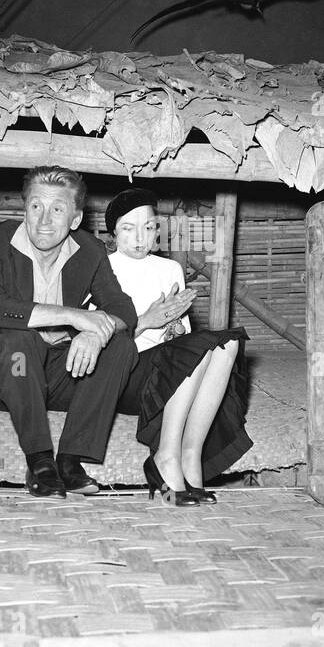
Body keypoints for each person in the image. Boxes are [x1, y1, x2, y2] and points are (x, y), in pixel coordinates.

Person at [0, 167, 139, 498]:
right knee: (17, 337)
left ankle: (70, 460)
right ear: (24, 208)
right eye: (36, 206)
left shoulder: (90, 251)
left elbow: (123, 310)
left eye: (57, 210)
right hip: (9, 371)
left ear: (75, 219)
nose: (44, 220)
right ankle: (40, 462)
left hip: (57, 374)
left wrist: (96, 333)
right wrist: (76, 316)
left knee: (119, 344)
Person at [105, 187, 252, 506]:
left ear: (157, 230)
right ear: (114, 231)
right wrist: (148, 320)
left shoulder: (169, 270)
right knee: (198, 348)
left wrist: (174, 327)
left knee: (227, 344)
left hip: (166, 368)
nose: (139, 237)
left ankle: (190, 455)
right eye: (128, 228)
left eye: (148, 227)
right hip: (123, 371)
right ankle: (164, 457)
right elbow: (98, 338)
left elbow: (182, 330)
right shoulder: (103, 269)